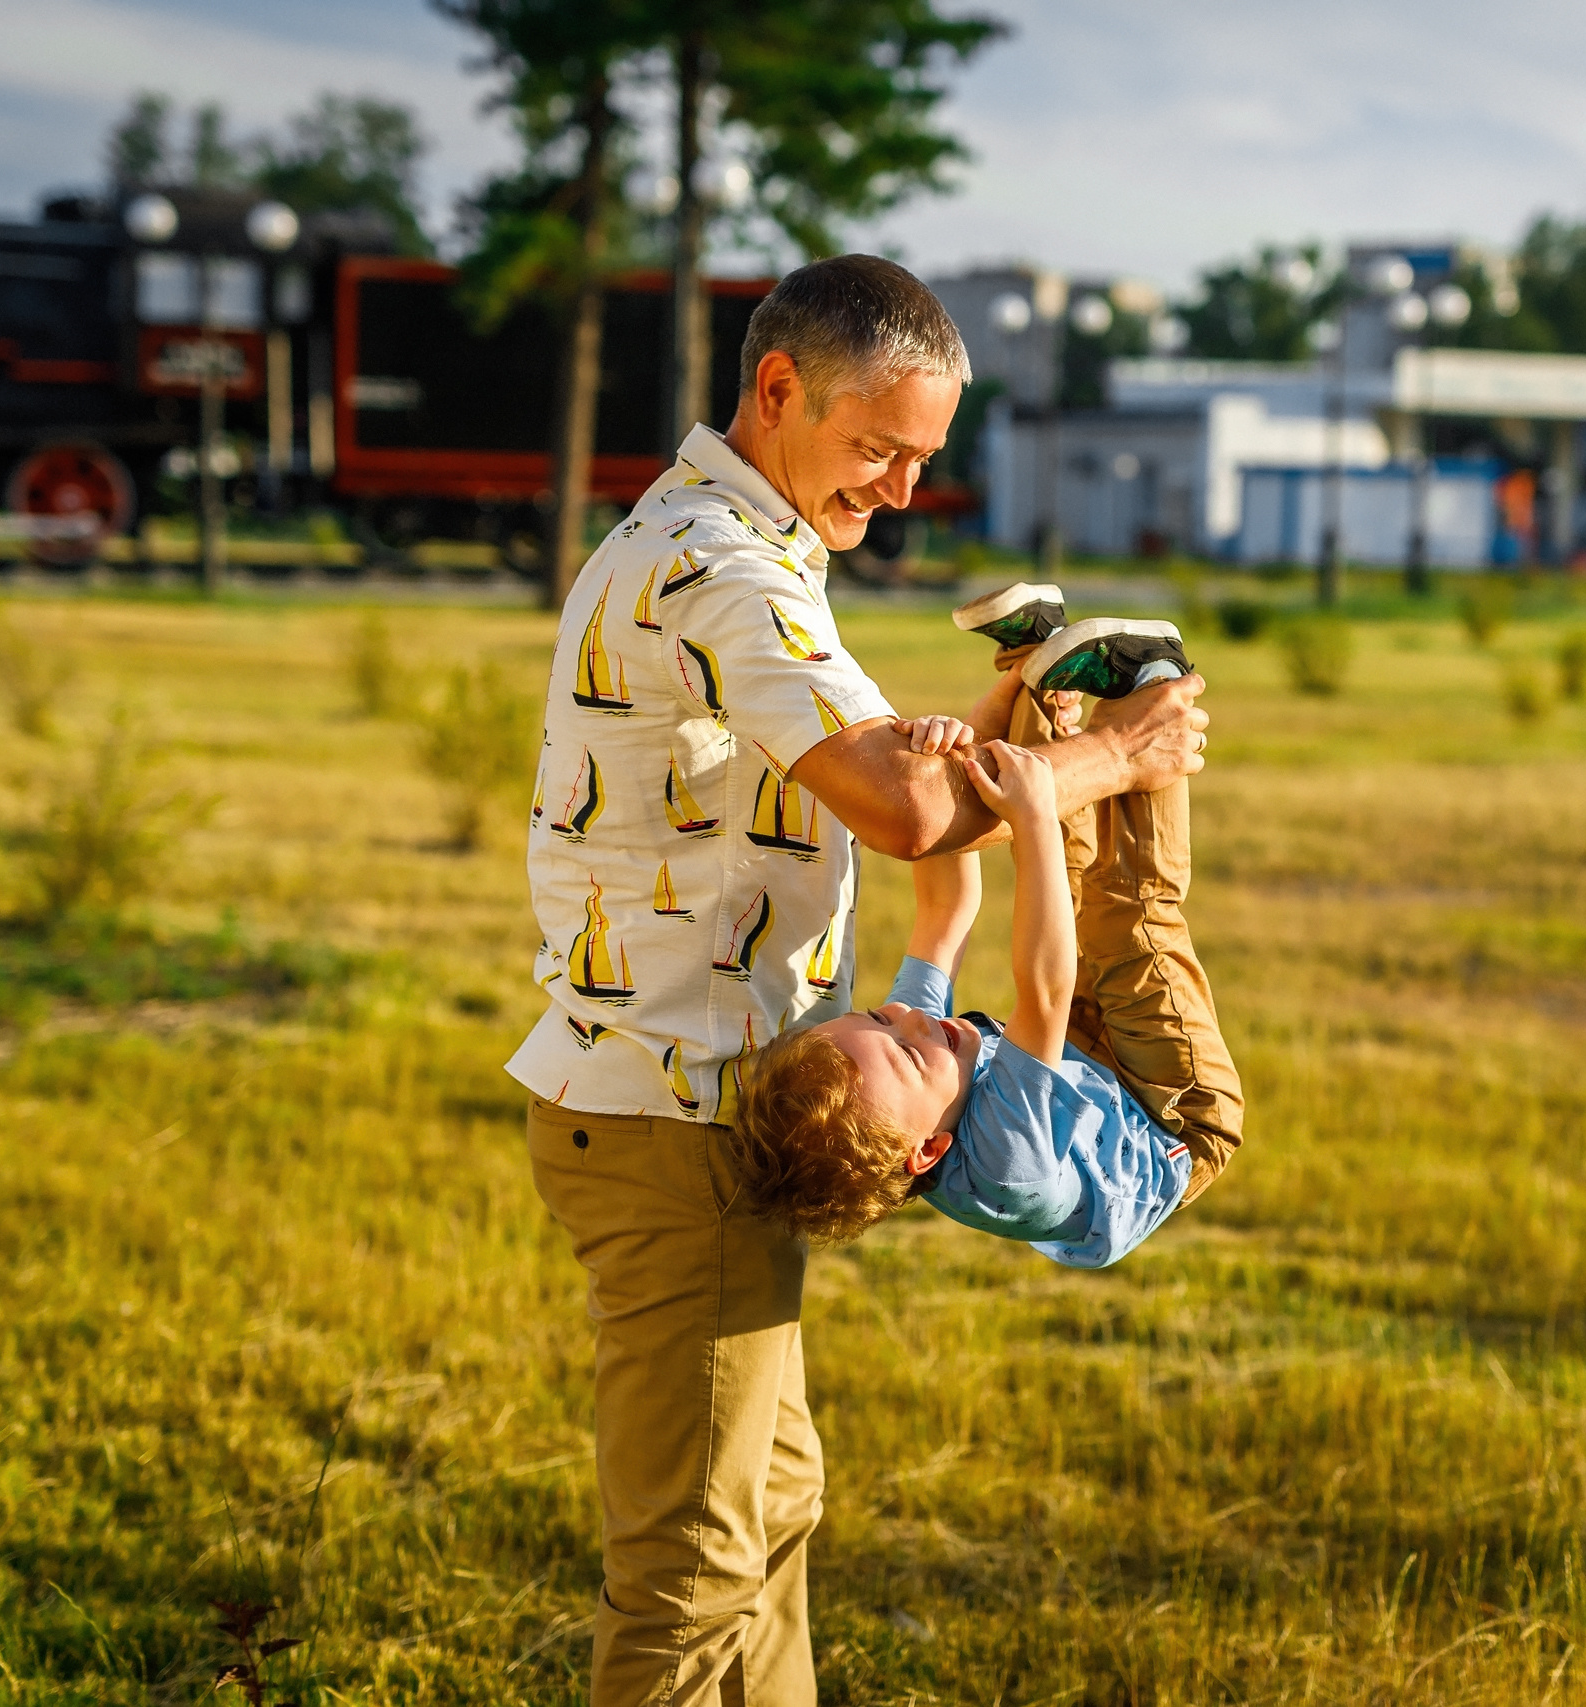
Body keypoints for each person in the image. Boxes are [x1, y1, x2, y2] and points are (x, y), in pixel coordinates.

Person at [509, 254, 1209, 1706]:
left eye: (923, 456)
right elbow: (906, 813)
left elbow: (904, 781)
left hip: (698, 1108)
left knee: (773, 1508)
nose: (899, 487)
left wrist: (1016, 737)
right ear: (778, 391)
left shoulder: (741, 554)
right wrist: (1115, 761)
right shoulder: (720, 564)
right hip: (677, 1126)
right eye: (879, 445)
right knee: (694, 1567)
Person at [726, 605, 1244, 1266]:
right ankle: (1154, 682)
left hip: (1084, 1076)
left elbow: (946, 908)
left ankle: (1043, 677)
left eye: (880, 1015)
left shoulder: (909, 1078)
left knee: (1066, 866)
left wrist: (954, 747)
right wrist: (1029, 817)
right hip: (1170, 1116)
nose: (913, 1017)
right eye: (907, 1049)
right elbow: (1044, 991)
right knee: (1124, 915)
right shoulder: (1005, 1163)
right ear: (930, 1152)